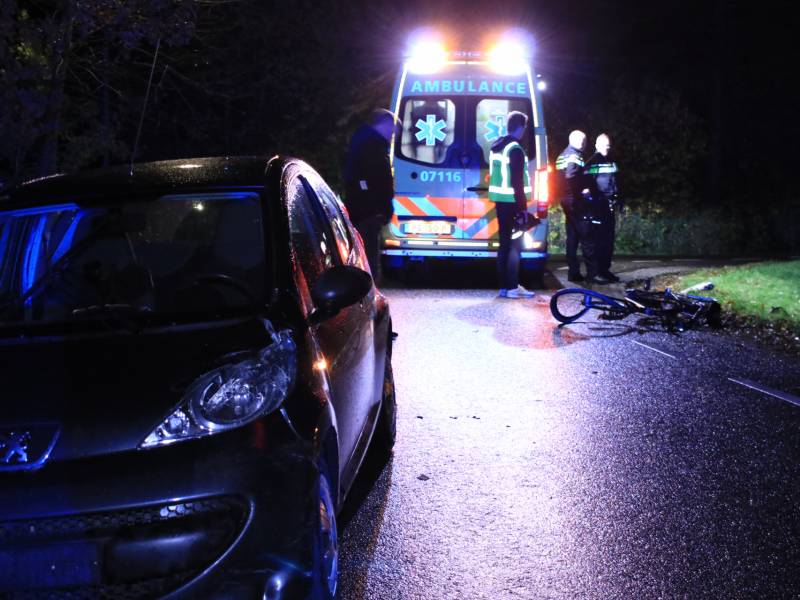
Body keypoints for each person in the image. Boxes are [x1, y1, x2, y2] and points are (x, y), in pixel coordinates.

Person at [343, 109, 398, 281]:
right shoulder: (372, 147)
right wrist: (382, 207)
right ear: (382, 126)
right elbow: (378, 181)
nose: (393, 133)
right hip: (368, 210)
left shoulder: (365, 142)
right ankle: (369, 293)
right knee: (368, 254)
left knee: (366, 251)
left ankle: (366, 288)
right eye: (392, 128)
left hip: (364, 208)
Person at [488, 110, 538, 299]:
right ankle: (512, 288)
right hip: (513, 204)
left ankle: (505, 286)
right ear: (521, 127)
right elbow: (517, 181)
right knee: (515, 246)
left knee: (504, 245)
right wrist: (523, 209)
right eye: (524, 127)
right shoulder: (515, 149)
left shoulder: (497, 146)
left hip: (501, 203)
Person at [555, 130, 606, 284]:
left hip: (565, 200)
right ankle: (593, 274)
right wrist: (581, 190)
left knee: (572, 237)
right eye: (583, 140)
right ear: (576, 141)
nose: (585, 144)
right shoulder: (574, 156)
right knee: (587, 237)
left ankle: (574, 273)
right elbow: (571, 175)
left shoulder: (562, 154)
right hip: (576, 201)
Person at [585, 133, 622, 282]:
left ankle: (605, 270)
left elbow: (617, 181)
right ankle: (596, 272)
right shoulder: (592, 162)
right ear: (597, 145)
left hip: (610, 205)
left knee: (608, 241)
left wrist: (620, 200)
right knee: (598, 241)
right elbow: (587, 186)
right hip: (598, 206)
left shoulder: (612, 161)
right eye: (604, 145)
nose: (607, 148)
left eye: (608, 145)